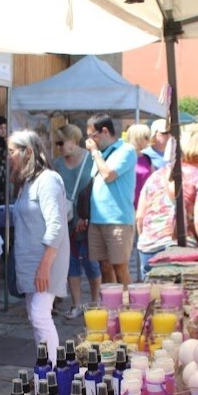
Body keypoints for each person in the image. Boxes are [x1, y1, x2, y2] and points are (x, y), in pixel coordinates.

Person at [9, 130, 69, 353]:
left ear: (29, 152)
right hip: (30, 261)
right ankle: (45, 368)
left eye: (12, 151)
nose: (8, 156)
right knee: (35, 317)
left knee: (40, 316)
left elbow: (56, 225)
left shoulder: (48, 180)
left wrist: (44, 266)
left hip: (46, 261)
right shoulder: (26, 182)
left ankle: (52, 371)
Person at [136, 129, 198, 276]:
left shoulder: (156, 176)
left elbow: (140, 216)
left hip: (148, 249)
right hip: (180, 249)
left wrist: (150, 239)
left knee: (153, 297)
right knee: (183, 297)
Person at [51, 124, 99, 319]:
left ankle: (96, 303)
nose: (59, 147)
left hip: (88, 219)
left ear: (73, 140)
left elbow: (97, 190)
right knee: (69, 263)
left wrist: (88, 217)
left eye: (61, 142)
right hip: (66, 220)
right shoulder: (57, 164)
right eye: (57, 143)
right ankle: (76, 304)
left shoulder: (90, 160)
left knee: (91, 262)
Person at [85, 113, 137, 287]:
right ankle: (111, 305)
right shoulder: (100, 154)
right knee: (104, 266)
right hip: (96, 220)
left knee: (120, 267)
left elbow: (108, 175)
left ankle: (129, 308)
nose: (90, 142)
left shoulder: (126, 150)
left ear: (105, 131)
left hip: (118, 220)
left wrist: (94, 153)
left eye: (93, 136)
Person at [126, 123, 152, 210]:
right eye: (146, 137)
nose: (149, 140)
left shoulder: (147, 158)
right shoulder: (124, 157)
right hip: (128, 206)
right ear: (138, 138)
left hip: (145, 205)